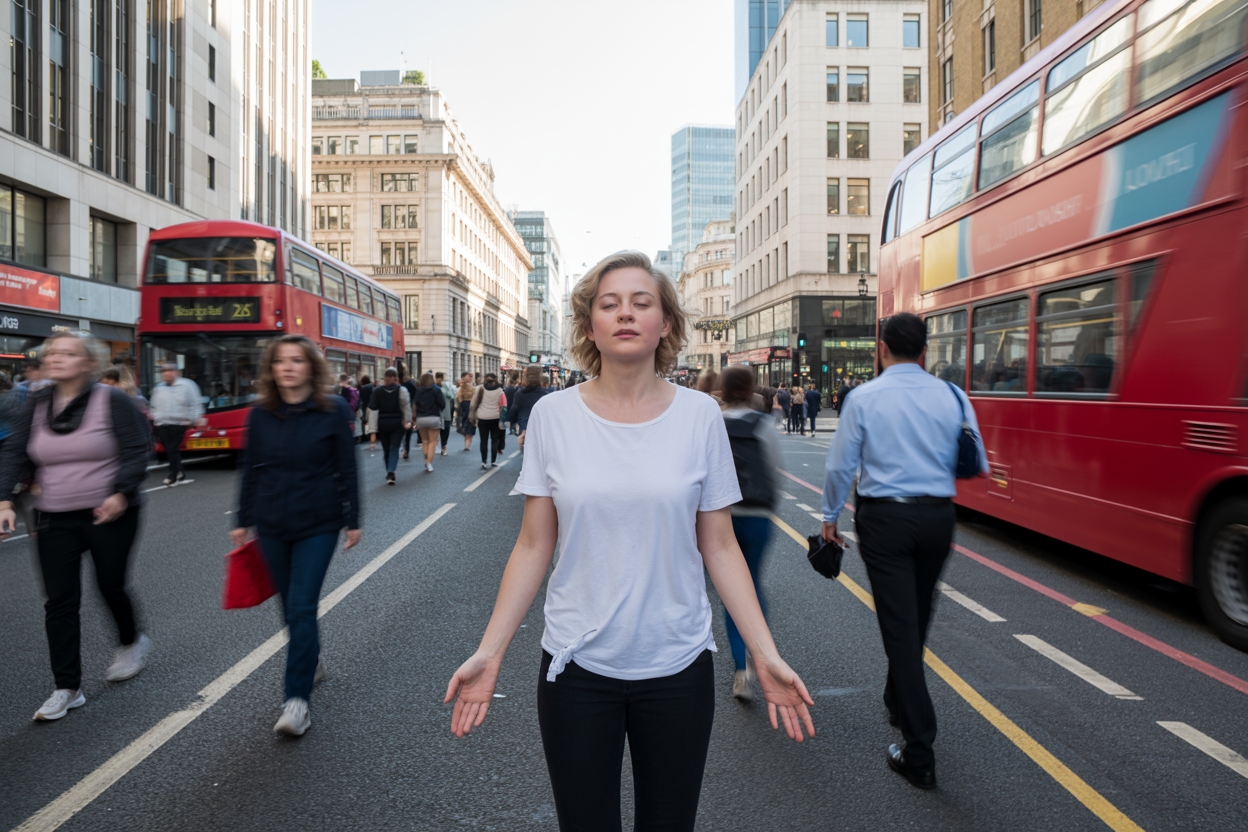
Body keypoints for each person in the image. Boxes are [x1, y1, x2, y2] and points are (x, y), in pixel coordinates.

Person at [445, 251, 814, 831]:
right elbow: (534, 545)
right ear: (589, 324)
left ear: (665, 323)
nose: (625, 314)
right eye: (608, 304)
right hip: (575, 667)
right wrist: (490, 653)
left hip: (677, 664)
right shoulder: (552, 417)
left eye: (642, 303)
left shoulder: (699, 417)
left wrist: (764, 654)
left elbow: (719, 546)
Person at [821, 312, 988, 790]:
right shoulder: (953, 395)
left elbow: (839, 466)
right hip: (938, 517)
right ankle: (897, 698)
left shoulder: (865, 397)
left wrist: (830, 517)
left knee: (899, 625)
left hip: (885, 519)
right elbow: (977, 462)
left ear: (882, 348)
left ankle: (918, 751)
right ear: (924, 351)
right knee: (917, 612)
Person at [0, 331, 152, 721]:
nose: (57, 358)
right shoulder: (34, 402)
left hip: (110, 512)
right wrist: (4, 499)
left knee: (110, 585)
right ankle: (67, 688)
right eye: (53, 353)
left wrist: (120, 493)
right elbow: (15, 452)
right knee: (60, 600)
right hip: (53, 514)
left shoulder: (112, 399)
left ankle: (130, 641)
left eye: (68, 353)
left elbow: (139, 448)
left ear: (88, 363)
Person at [232, 334, 361, 736]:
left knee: (302, 607)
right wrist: (242, 518)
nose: (287, 367)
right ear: (271, 370)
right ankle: (311, 658)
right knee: (291, 609)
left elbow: (348, 468)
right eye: (279, 361)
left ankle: (296, 701)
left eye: (296, 360)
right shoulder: (259, 414)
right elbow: (250, 467)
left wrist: (352, 519)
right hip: (272, 524)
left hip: (318, 524)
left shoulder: (332, 410)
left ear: (311, 367)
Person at [718, 366, 781, 703]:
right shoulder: (764, 424)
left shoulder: (712, 422)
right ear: (751, 389)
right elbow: (774, 469)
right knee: (753, 583)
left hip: (722, 515)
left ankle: (740, 665)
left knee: (731, 589)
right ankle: (761, 655)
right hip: (757, 513)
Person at [149, 363, 204, 487]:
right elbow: (153, 405)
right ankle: (180, 472)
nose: (166, 373)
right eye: (163, 371)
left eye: (169, 371)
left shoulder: (187, 385)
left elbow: (195, 403)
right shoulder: (159, 388)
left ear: (176, 372)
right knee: (170, 449)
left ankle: (172, 476)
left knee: (172, 448)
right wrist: (155, 419)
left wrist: (193, 420)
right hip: (163, 423)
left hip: (180, 423)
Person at [366, 368, 411, 485]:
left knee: (386, 449)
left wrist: (372, 430)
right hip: (397, 424)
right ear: (396, 378)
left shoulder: (377, 391)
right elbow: (405, 407)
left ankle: (389, 471)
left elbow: (373, 410)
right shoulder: (402, 390)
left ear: (384, 378)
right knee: (394, 448)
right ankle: (391, 471)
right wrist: (407, 421)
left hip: (383, 424)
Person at [411, 372, 446, 473]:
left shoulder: (418, 391)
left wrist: (414, 418)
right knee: (433, 441)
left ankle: (426, 460)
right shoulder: (437, 390)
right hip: (434, 418)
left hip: (421, 419)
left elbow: (415, 404)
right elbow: (442, 404)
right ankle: (429, 463)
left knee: (425, 441)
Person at [470, 373, 506, 470]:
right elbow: (503, 405)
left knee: (483, 440)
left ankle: (484, 462)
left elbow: (473, 403)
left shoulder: (479, 389)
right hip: (495, 417)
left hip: (482, 417)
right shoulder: (500, 390)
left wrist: (473, 416)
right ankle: (493, 461)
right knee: (495, 440)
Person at [511, 365, 549, 451]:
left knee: (527, 456)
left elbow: (514, 411)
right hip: (541, 429)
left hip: (525, 428)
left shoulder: (519, 394)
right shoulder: (546, 395)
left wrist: (512, 424)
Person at [397, 361, 421, 460]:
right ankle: (406, 448)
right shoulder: (410, 384)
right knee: (407, 431)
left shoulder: (395, 386)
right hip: (408, 410)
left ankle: (401, 448)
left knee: (400, 432)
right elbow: (417, 395)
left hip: (397, 412)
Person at [436, 372, 456, 456]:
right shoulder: (436, 387)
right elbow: (452, 396)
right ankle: (442, 446)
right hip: (441, 410)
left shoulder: (446, 386)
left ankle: (443, 446)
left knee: (445, 428)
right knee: (443, 429)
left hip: (444, 410)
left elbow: (452, 395)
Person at [456, 375, 476, 452]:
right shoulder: (473, 388)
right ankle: (468, 445)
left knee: (466, 424)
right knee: (472, 425)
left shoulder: (460, 389)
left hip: (464, 406)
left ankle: (466, 445)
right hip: (472, 406)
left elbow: (459, 399)